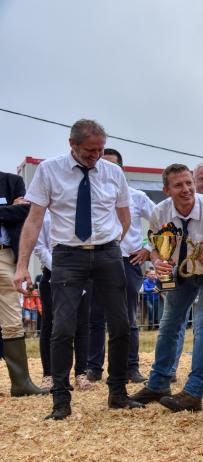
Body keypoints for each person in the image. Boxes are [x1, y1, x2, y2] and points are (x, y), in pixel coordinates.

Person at [14, 119, 142, 420]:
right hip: (68, 256)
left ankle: (118, 392)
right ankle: (61, 400)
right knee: (62, 327)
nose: (95, 155)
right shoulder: (49, 171)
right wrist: (22, 266)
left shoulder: (114, 173)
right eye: (89, 150)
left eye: (99, 149)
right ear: (72, 145)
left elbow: (125, 217)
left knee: (121, 324)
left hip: (108, 254)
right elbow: (33, 221)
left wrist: (110, 244)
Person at [130, 163, 203, 412]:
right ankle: (159, 383)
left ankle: (194, 391)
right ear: (166, 190)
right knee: (169, 325)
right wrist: (158, 261)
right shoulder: (160, 213)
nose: (187, 190)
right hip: (179, 274)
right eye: (178, 185)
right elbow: (156, 247)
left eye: (189, 183)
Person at [86, 148, 155, 384]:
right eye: (101, 164)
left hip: (128, 261)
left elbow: (162, 221)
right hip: (95, 260)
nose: (105, 170)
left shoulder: (137, 196)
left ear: (121, 170)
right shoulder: (87, 196)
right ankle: (94, 368)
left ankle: (130, 367)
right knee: (95, 317)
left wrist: (148, 249)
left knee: (128, 318)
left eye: (112, 166)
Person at [33, 210, 93, 391]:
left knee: (82, 325)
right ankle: (48, 375)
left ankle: (81, 373)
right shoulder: (43, 215)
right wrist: (59, 269)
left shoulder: (81, 212)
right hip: (51, 275)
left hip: (82, 275)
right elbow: (40, 247)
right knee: (49, 325)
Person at [0, 169, 46, 396]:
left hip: (5, 256)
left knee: (11, 319)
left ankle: (20, 383)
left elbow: (25, 212)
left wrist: (15, 209)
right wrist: (8, 209)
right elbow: (14, 211)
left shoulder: (12, 181)